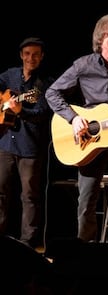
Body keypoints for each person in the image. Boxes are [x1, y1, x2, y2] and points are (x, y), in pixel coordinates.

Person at [45, 13, 108, 244]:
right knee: (86, 200)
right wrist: (73, 119)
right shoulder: (83, 65)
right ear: (100, 37)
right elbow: (52, 92)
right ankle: (84, 253)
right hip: (89, 142)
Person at [0, 37, 54, 249]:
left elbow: (42, 113)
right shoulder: (9, 75)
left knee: (29, 196)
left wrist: (21, 111)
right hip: (5, 143)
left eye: (36, 55)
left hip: (30, 147)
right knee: (0, 193)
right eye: (27, 54)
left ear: (41, 58)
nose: (31, 58)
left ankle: (27, 244)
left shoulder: (42, 85)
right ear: (22, 55)